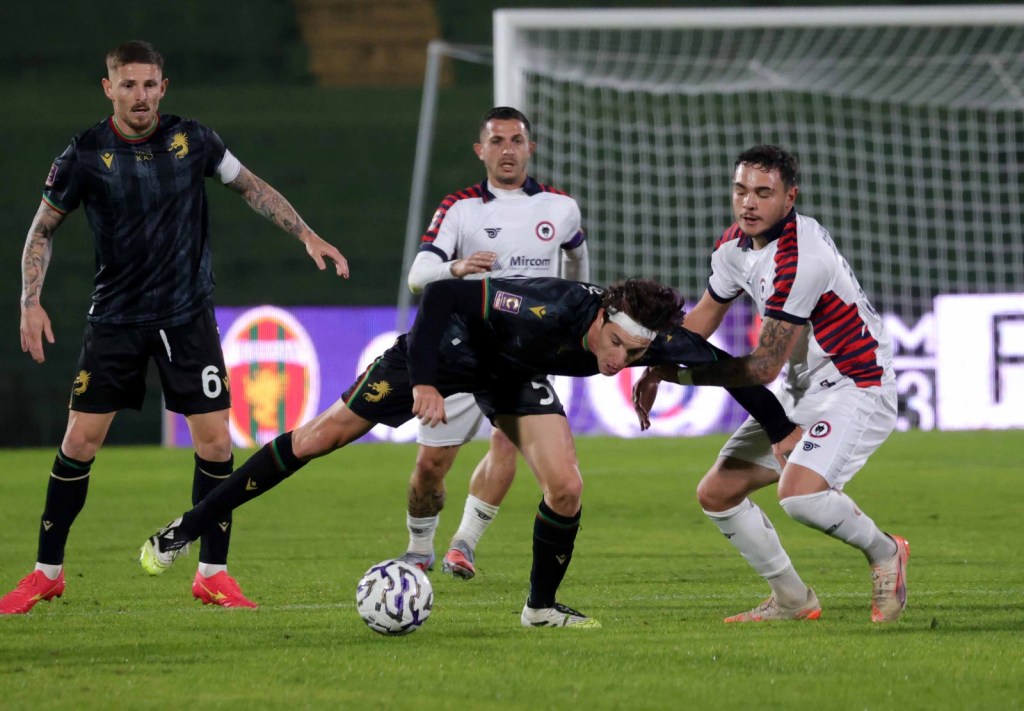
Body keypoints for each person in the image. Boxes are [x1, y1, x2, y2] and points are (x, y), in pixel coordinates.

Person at [140, 275, 799, 628]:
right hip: (439, 354)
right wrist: (423, 378)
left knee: (565, 486)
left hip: (507, 378)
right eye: (618, 347)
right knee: (318, 438)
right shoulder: (548, 306)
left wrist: (780, 432)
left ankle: (540, 608)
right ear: (600, 320)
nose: (620, 362)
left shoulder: (646, 338)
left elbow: (729, 371)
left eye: (635, 354)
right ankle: (184, 529)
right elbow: (445, 295)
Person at [0, 41, 348, 615]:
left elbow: (251, 186)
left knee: (216, 442)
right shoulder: (85, 153)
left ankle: (213, 573)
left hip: (187, 317)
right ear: (108, 88)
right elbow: (42, 230)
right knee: (79, 443)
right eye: (129, 84)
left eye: (150, 84)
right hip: (115, 320)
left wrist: (306, 233)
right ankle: (46, 572)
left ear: (165, 87)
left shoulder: (194, 140)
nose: (141, 95)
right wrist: (28, 300)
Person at [633, 144, 909, 623]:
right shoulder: (734, 246)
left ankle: (886, 551)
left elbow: (762, 368)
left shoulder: (801, 258)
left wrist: (677, 374)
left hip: (856, 383)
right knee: (717, 493)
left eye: (764, 193)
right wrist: (655, 361)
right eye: (741, 190)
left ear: (790, 197)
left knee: (800, 496)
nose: (749, 203)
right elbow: (701, 319)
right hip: (804, 389)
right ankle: (792, 599)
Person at [399, 106, 589, 580]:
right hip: (464, 350)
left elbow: (577, 261)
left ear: (531, 148)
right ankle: (420, 546)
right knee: (430, 467)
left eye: (517, 140)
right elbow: (418, 277)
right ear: (480, 150)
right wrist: (456, 268)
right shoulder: (460, 208)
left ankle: (464, 543)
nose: (508, 150)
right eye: (497, 141)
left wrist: (570, 315)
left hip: (523, 355)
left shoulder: (560, 208)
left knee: (507, 443)